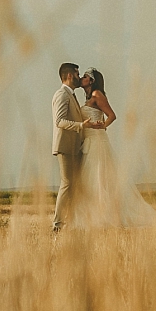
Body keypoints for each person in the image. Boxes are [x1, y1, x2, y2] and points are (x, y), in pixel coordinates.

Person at [76, 68, 156, 228]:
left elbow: (112, 115)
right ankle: (95, 212)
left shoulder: (96, 95)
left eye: (85, 77)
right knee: (92, 179)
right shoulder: (87, 98)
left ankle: (105, 214)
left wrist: (103, 126)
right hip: (89, 140)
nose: (82, 78)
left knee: (99, 178)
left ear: (91, 81)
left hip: (97, 141)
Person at [51, 62, 104, 231]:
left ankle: (72, 221)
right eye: (77, 74)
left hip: (76, 146)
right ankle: (57, 224)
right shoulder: (62, 95)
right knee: (67, 183)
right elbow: (59, 122)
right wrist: (82, 126)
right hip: (65, 146)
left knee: (76, 186)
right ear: (68, 76)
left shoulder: (72, 95)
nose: (79, 77)